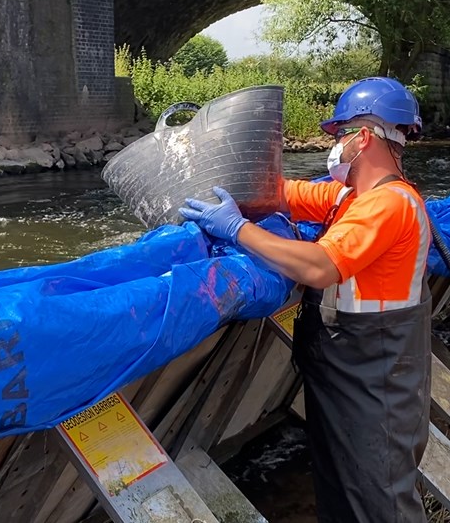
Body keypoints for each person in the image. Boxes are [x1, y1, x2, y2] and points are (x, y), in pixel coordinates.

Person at [180, 77, 432, 523]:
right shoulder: (351, 197)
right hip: (353, 370)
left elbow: (319, 266)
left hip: (378, 377)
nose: (333, 145)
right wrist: (214, 168)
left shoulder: (390, 204)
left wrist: (238, 229)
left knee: (379, 500)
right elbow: (279, 192)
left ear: (364, 137)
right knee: (342, 487)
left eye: (338, 135)